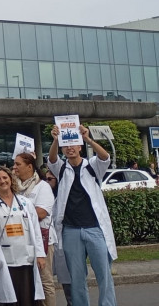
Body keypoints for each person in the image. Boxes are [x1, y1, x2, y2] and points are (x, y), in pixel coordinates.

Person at [47, 124, 117, 306]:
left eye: (74, 144)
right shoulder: (62, 169)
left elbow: (105, 157)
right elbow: (52, 160)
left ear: (79, 147)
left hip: (95, 229)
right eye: (66, 145)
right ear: (63, 148)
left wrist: (88, 139)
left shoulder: (92, 167)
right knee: (76, 278)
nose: (70, 148)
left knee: (104, 275)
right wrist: (55, 139)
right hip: (71, 232)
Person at [0, 166, 46, 306]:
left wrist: (40, 254)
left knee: (28, 296)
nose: (2, 181)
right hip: (4, 258)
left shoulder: (25, 202)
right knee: (10, 297)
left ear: (11, 179)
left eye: (5, 177)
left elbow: (35, 229)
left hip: (26, 256)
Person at [13, 152, 56, 305]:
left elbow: (41, 213)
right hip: (19, 240)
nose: (14, 167)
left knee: (45, 281)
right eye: (14, 164)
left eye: (18, 164)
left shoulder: (42, 186)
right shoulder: (14, 187)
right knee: (25, 281)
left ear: (29, 166)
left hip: (42, 240)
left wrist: (14, 217)